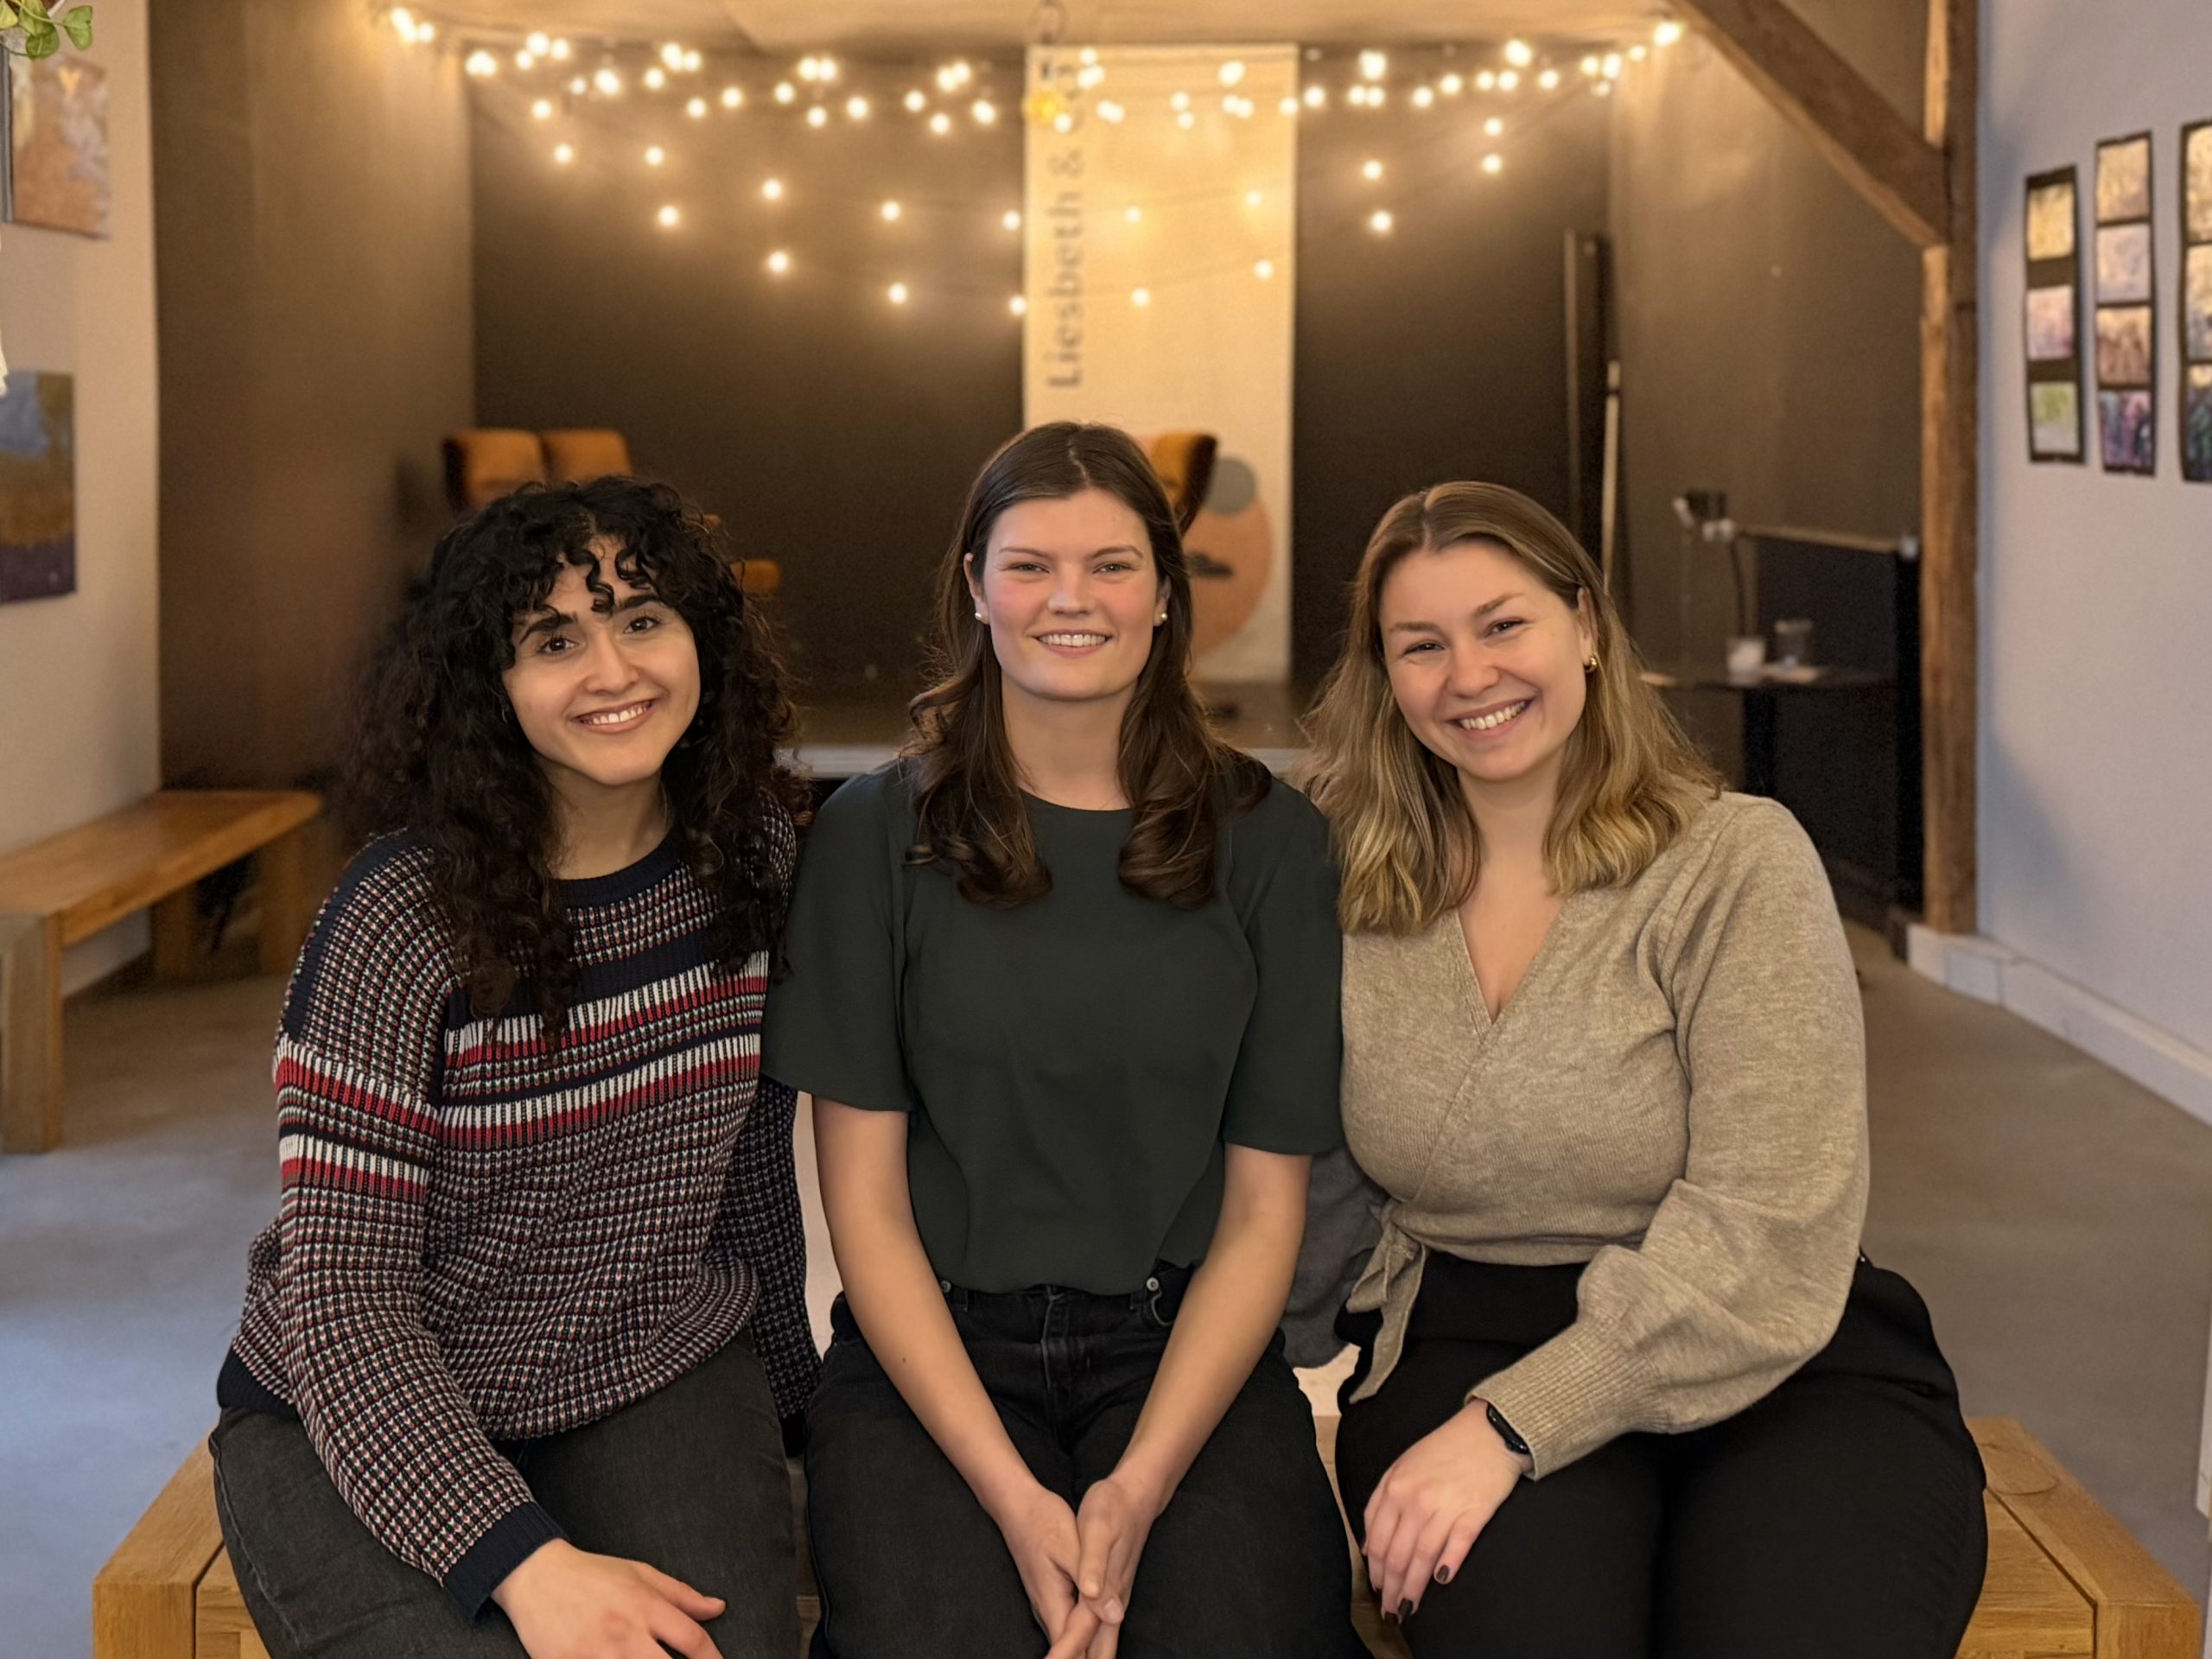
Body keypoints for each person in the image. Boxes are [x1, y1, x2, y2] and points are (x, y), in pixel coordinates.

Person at [1296, 481, 1986, 1656]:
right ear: (1387, 678)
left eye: (1503, 625)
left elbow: (1771, 1219)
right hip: (1466, 1346)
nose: (1469, 675)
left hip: (1778, 1360)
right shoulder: (1340, 882)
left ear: (1588, 629)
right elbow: (1293, 1172)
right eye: (1423, 646)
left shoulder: (1735, 862)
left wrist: (1517, 1427)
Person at [764, 422, 1363, 1659]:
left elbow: (1263, 1216)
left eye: (1112, 565)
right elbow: (864, 1215)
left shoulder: (1273, 844)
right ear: (975, 589)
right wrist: (1010, 1493)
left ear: (1162, 597)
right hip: (933, 1346)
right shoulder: (874, 836)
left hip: (1181, 1349)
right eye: (1029, 565)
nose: (1070, 600)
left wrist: (1136, 1490)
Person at [209, 478, 817, 1659]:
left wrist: (804, 1424)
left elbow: (747, 1179)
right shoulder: (400, 920)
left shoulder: (753, 859)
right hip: (359, 1413)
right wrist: (524, 1564)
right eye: (554, 640)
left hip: (646, 1363)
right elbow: (347, 1298)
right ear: (489, 687)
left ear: (702, 640)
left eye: (642, 619)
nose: (613, 671)